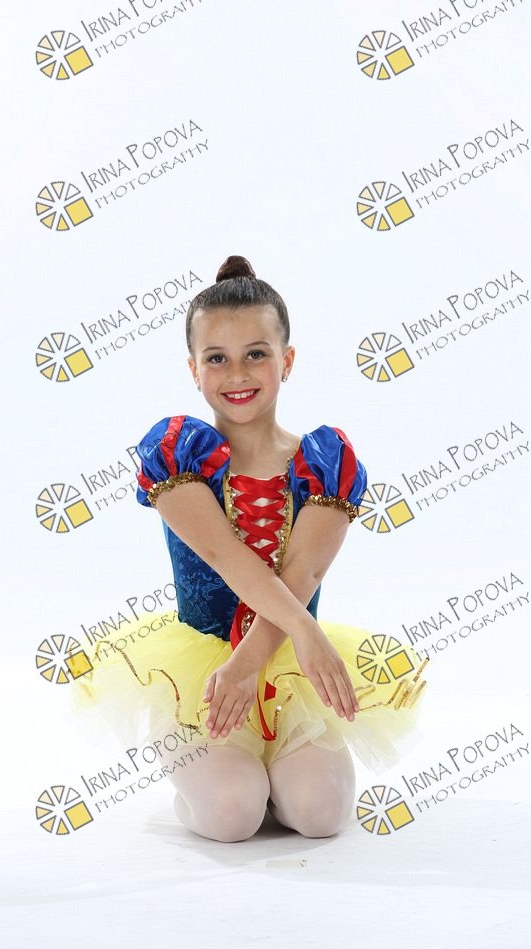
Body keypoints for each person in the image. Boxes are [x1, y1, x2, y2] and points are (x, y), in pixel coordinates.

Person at [71, 254, 429, 843]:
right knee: (232, 816)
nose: (237, 373)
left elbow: (303, 570)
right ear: (194, 369)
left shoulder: (323, 461)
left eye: (256, 354)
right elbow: (225, 557)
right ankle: (218, 787)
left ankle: (279, 779)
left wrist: (261, 657)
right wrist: (299, 634)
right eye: (217, 358)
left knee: (320, 816)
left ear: (287, 360)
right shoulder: (179, 456)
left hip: (291, 666)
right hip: (201, 675)